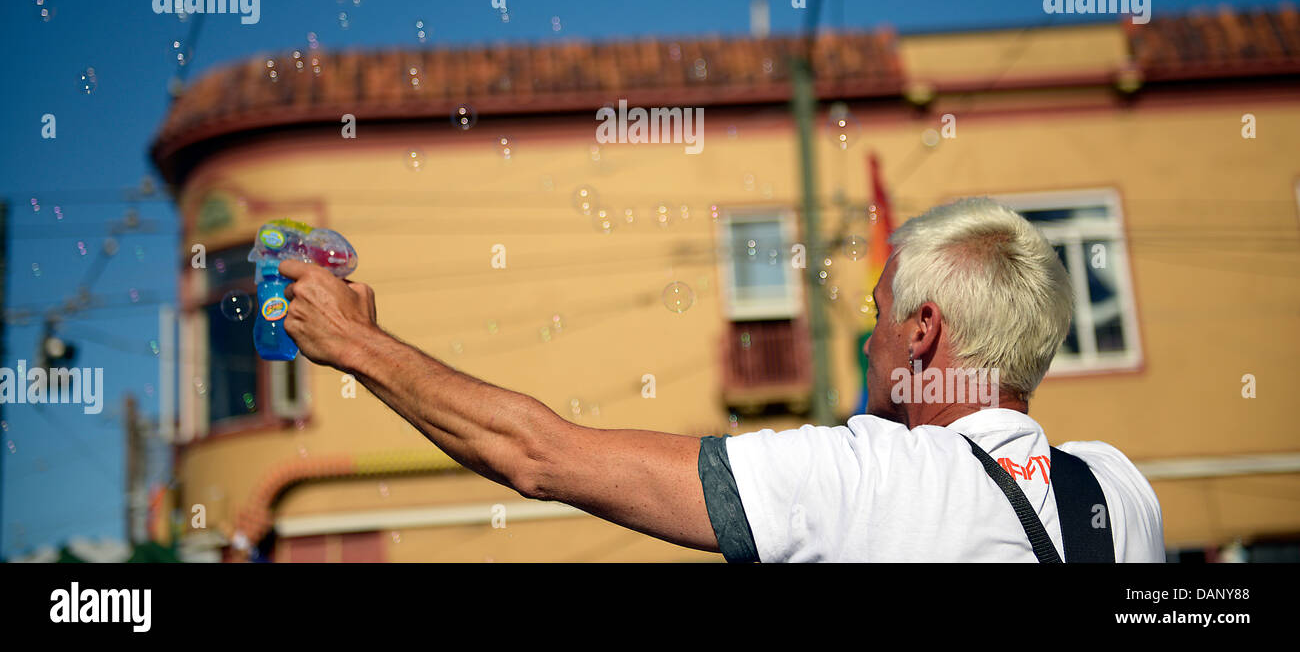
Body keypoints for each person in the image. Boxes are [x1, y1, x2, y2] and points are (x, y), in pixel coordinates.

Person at [278, 196, 1164, 561]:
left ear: (926, 331)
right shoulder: (1122, 491)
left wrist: (360, 346)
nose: (868, 339)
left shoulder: (865, 478)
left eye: (881, 312)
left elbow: (540, 456)